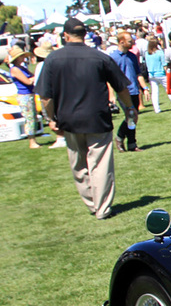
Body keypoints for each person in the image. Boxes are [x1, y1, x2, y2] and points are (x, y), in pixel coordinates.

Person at [34, 17, 135, 219]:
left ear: (65, 35)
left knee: (79, 165)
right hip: (97, 117)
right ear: (85, 34)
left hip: (68, 119)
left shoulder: (53, 59)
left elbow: (45, 97)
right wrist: (130, 108)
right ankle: (103, 207)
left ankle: (92, 203)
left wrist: (51, 118)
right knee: (100, 164)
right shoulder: (100, 57)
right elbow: (121, 87)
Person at [110, 31, 146, 151]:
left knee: (133, 118)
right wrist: (111, 95)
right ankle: (120, 137)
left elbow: (138, 73)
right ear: (121, 42)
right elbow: (109, 79)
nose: (133, 43)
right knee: (130, 116)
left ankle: (132, 143)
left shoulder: (132, 56)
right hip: (123, 92)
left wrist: (145, 88)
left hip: (134, 91)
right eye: (130, 41)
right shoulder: (114, 58)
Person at [5, 46, 43, 148]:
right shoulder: (15, 69)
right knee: (29, 117)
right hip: (24, 95)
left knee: (33, 116)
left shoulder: (22, 68)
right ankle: (31, 141)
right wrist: (38, 74)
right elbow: (28, 81)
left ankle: (33, 139)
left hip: (30, 94)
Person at [143, 37, 168, 114]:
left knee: (154, 92)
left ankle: (156, 109)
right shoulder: (160, 52)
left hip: (151, 74)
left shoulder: (146, 53)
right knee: (169, 90)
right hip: (161, 74)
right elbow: (164, 64)